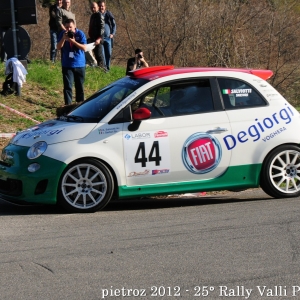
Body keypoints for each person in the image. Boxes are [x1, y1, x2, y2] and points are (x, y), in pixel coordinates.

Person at [57, 19, 87, 106]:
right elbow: (58, 47)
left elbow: (84, 48)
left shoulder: (80, 34)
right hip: (67, 65)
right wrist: (63, 38)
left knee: (80, 87)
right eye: (66, 27)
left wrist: (73, 41)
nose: (68, 29)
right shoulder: (62, 34)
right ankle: (68, 105)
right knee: (68, 87)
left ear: (74, 27)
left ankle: (80, 105)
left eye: (70, 27)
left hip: (80, 65)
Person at [98, 1, 116, 71]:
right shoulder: (97, 15)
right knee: (102, 55)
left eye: (102, 6)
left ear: (105, 7)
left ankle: (108, 68)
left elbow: (114, 24)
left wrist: (113, 33)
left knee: (108, 54)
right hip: (100, 38)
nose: (101, 7)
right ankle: (105, 69)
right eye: (100, 6)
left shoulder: (108, 14)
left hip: (108, 38)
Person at [88, 2, 104, 66]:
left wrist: (99, 38)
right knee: (96, 55)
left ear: (98, 7)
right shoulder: (93, 16)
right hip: (93, 38)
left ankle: (103, 71)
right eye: (92, 7)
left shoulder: (99, 15)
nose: (93, 9)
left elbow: (102, 28)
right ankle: (98, 68)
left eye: (94, 7)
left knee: (99, 55)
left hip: (98, 39)